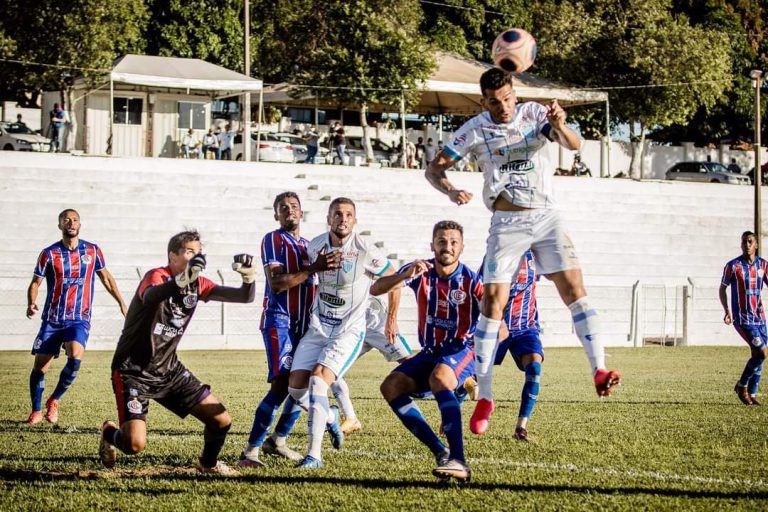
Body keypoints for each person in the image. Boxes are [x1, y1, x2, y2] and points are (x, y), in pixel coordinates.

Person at [425, 67, 622, 437]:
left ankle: (599, 369)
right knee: (492, 305)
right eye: (495, 102)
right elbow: (434, 169)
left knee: (575, 293)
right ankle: (484, 395)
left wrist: (561, 123)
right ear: (484, 101)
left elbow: (573, 144)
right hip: (507, 222)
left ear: (515, 93)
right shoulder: (473, 129)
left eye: (508, 98)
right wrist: (450, 190)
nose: (503, 107)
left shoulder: (534, 113)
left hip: (547, 217)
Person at [98, 231, 257, 475]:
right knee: (134, 444)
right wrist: (181, 280)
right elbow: (150, 296)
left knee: (221, 420)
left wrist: (249, 278)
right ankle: (109, 432)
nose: (196, 256)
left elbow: (244, 297)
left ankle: (208, 464)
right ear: (173, 256)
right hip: (133, 372)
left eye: (199, 252)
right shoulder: (157, 276)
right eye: (190, 251)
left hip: (169, 370)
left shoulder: (198, 284)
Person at [287, 197, 394, 469]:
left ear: (354, 220)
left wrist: (391, 319)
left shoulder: (365, 249)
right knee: (296, 389)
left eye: (348, 214)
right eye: (337, 214)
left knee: (317, 382)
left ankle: (314, 455)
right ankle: (332, 417)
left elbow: (394, 278)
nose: (343, 219)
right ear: (329, 218)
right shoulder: (315, 247)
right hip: (318, 326)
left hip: (348, 330)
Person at [238, 192, 341, 468]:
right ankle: (250, 452)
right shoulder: (273, 239)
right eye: (283, 208)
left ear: (302, 213)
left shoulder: (309, 246)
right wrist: (314, 268)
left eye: (294, 207)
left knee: (302, 380)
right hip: (279, 321)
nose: (289, 211)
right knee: (282, 384)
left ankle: (278, 440)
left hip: (306, 323)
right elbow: (277, 283)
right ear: (277, 215)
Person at [375, 220, 482, 484]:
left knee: (440, 378)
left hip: (461, 348)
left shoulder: (471, 281)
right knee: (391, 386)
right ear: (432, 244)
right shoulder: (420, 270)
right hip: (430, 350)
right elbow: (375, 288)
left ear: (462, 247)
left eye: (453, 242)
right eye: (442, 241)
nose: (448, 247)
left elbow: (497, 322)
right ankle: (441, 452)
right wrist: (403, 275)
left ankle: (460, 460)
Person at [24, 209, 128, 425]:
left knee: (75, 356)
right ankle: (35, 410)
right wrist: (31, 303)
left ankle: (54, 400)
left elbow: (106, 278)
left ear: (80, 224)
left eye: (75, 220)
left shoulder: (92, 251)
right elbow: (36, 282)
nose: (71, 223)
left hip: (79, 318)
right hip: (52, 319)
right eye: (66, 220)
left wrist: (121, 302)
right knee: (40, 367)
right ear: (60, 225)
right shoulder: (49, 253)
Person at [331, 294, 416, 434]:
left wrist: (391, 319)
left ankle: (453, 393)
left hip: (375, 319)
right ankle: (350, 418)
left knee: (410, 366)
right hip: (350, 324)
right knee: (332, 368)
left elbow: (395, 283)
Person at [489, 250, 542, 441]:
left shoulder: (536, 256)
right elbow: (482, 290)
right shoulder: (496, 256)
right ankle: (449, 419)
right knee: (473, 375)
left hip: (526, 328)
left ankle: (521, 427)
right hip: (497, 327)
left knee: (534, 368)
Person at [719, 231, 768, 406]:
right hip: (743, 319)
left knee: (758, 356)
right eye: (744, 242)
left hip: (760, 319)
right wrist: (726, 310)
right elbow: (722, 288)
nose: (746, 245)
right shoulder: (733, 266)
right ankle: (741, 386)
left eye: (750, 242)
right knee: (762, 352)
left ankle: (752, 394)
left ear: (756, 245)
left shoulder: (763, 265)